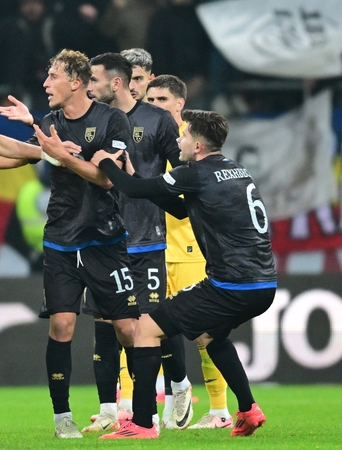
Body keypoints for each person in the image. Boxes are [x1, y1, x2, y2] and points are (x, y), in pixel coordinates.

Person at [0, 48, 139, 439]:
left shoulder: (112, 120)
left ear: (75, 82)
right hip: (61, 241)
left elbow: (106, 179)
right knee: (62, 324)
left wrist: (63, 157)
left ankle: (138, 415)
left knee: (127, 329)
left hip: (106, 239)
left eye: (52, 75)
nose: (45, 83)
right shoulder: (50, 123)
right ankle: (62, 417)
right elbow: (24, 154)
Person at [95, 109, 275, 439]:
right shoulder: (235, 169)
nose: (179, 139)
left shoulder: (195, 172)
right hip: (264, 283)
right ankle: (249, 410)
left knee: (147, 329)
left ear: (198, 146)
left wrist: (104, 162)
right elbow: (180, 207)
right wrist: (136, 177)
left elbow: (133, 193)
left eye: (185, 135)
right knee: (210, 336)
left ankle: (144, 423)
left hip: (230, 285)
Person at [81, 52, 192, 433]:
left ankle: (176, 388)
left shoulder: (156, 120)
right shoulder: (89, 118)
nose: (88, 87)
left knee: (151, 325)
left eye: (93, 80)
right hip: (101, 240)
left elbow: (185, 171)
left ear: (116, 82)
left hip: (146, 240)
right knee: (105, 327)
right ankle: (114, 411)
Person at [147, 74, 233, 429]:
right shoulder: (143, 137)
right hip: (150, 247)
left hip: (190, 248)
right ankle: (166, 394)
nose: (153, 108)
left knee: (204, 334)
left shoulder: (191, 143)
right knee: (145, 327)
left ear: (179, 105)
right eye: (149, 102)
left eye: (161, 101)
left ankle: (220, 410)